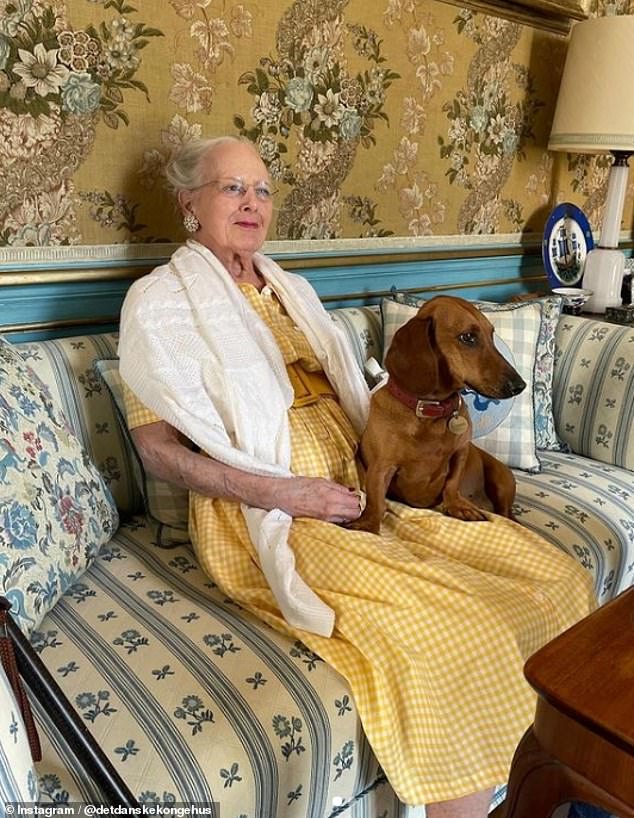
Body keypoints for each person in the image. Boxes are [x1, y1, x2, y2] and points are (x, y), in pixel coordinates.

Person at [118, 135, 595, 818]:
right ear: (188, 202)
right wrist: (280, 491)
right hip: (272, 505)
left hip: (365, 479)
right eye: (233, 188)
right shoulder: (158, 303)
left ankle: (559, 789)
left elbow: (361, 390)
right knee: (445, 636)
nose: (252, 203)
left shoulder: (290, 288)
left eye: (262, 190)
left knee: (556, 580)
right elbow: (158, 452)